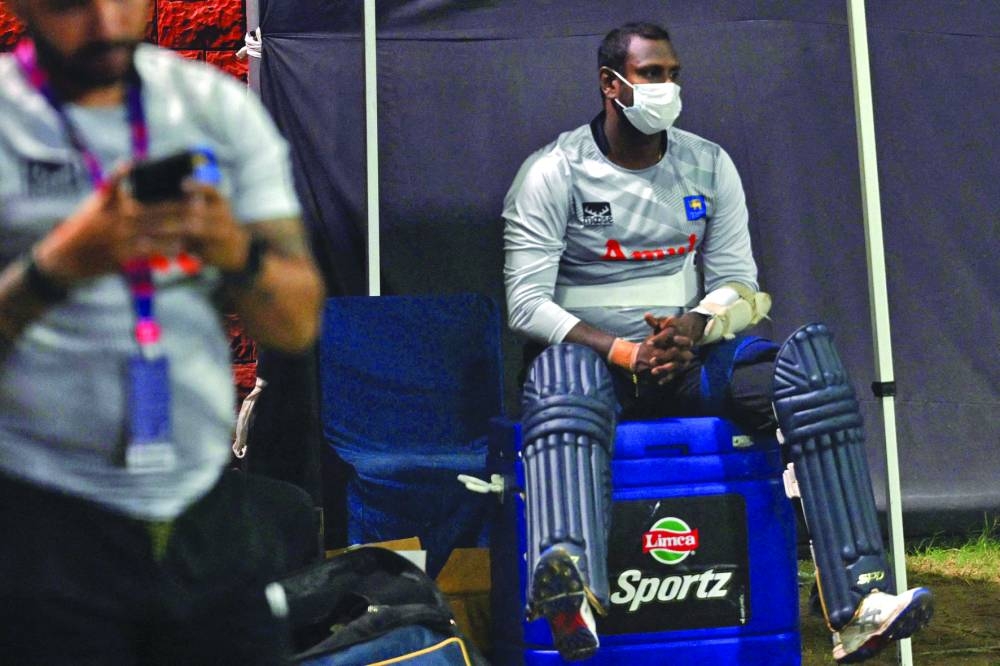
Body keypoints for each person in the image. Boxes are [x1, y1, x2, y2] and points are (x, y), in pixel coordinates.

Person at [503, 21, 932, 664]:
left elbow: (740, 282)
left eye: (674, 74)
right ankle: (573, 599)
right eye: (652, 75)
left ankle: (858, 604)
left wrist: (696, 326)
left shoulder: (708, 163)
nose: (667, 87)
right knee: (560, 385)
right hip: (592, 368)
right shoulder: (553, 172)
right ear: (609, 84)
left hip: (686, 360)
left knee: (808, 372)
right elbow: (526, 304)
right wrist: (623, 351)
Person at [0, 0, 325, 663]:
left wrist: (235, 251)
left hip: (196, 510)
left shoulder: (213, 110)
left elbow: (295, 322)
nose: (105, 23)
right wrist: (59, 266)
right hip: (41, 514)